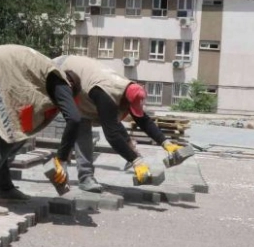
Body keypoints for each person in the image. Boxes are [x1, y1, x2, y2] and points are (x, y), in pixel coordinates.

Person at [0, 44, 82, 216]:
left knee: (5, 136)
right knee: (8, 138)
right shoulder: (60, 81)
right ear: (71, 88)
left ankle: (5, 187)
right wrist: (62, 160)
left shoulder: (43, 73)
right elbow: (74, 118)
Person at [53, 55, 183, 191]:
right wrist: (136, 161)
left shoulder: (127, 89)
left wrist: (166, 143)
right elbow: (112, 135)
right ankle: (86, 178)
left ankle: (91, 174)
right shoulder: (107, 94)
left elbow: (143, 120)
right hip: (61, 71)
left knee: (108, 119)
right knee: (82, 124)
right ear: (126, 100)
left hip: (83, 83)